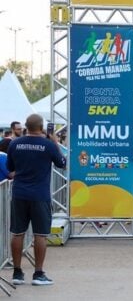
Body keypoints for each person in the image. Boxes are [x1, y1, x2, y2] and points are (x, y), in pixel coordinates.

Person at [7, 114, 66, 286]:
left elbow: (10, 167)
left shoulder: (15, 144)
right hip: (40, 195)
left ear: (26, 126)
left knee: (17, 232)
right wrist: (54, 141)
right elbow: (62, 163)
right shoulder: (47, 144)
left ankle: (17, 273)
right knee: (40, 234)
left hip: (19, 193)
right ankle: (38, 274)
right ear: (41, 128)